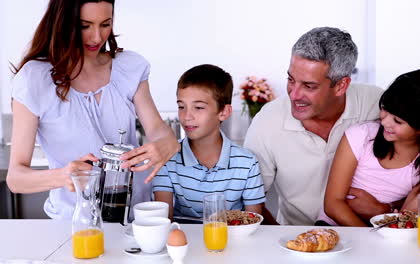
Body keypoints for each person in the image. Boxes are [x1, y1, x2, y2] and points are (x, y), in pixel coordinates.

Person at [6, 0, 179, 219]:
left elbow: (159, 131)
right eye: (84, 26)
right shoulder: (34, 80)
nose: (97, 37)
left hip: (136, 219)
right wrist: (63, 176)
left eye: (105, 24)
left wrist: (165, 144)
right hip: (75, 223)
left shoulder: (127, 68)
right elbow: (16, 178)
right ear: (62, 24)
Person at [243, 27, 384, 225]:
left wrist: (385, 211)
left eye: (309, 86)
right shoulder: (267, 121)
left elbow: (416, 168)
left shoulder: (376, 104)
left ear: (341, 85)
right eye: (291, 80)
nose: (294, 94)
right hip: (295, 239)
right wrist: (286, 243)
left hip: (367, 236)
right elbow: (249, 203)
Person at [319, 69, 420, 226]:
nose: (385, 122)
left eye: (397, 120)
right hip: (336, 227)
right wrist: (370, 239)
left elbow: (406, 219)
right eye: (385, 109)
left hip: (387, 233)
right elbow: (332, 205)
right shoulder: (361, 135)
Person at [152, 64, 266, 220]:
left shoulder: (247, 162)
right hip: (183, 242)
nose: (187, 116)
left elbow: (253, 222)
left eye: (198, 107)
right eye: (181, 106)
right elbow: (163, 221)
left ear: (224, 112)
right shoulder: (167, 159)